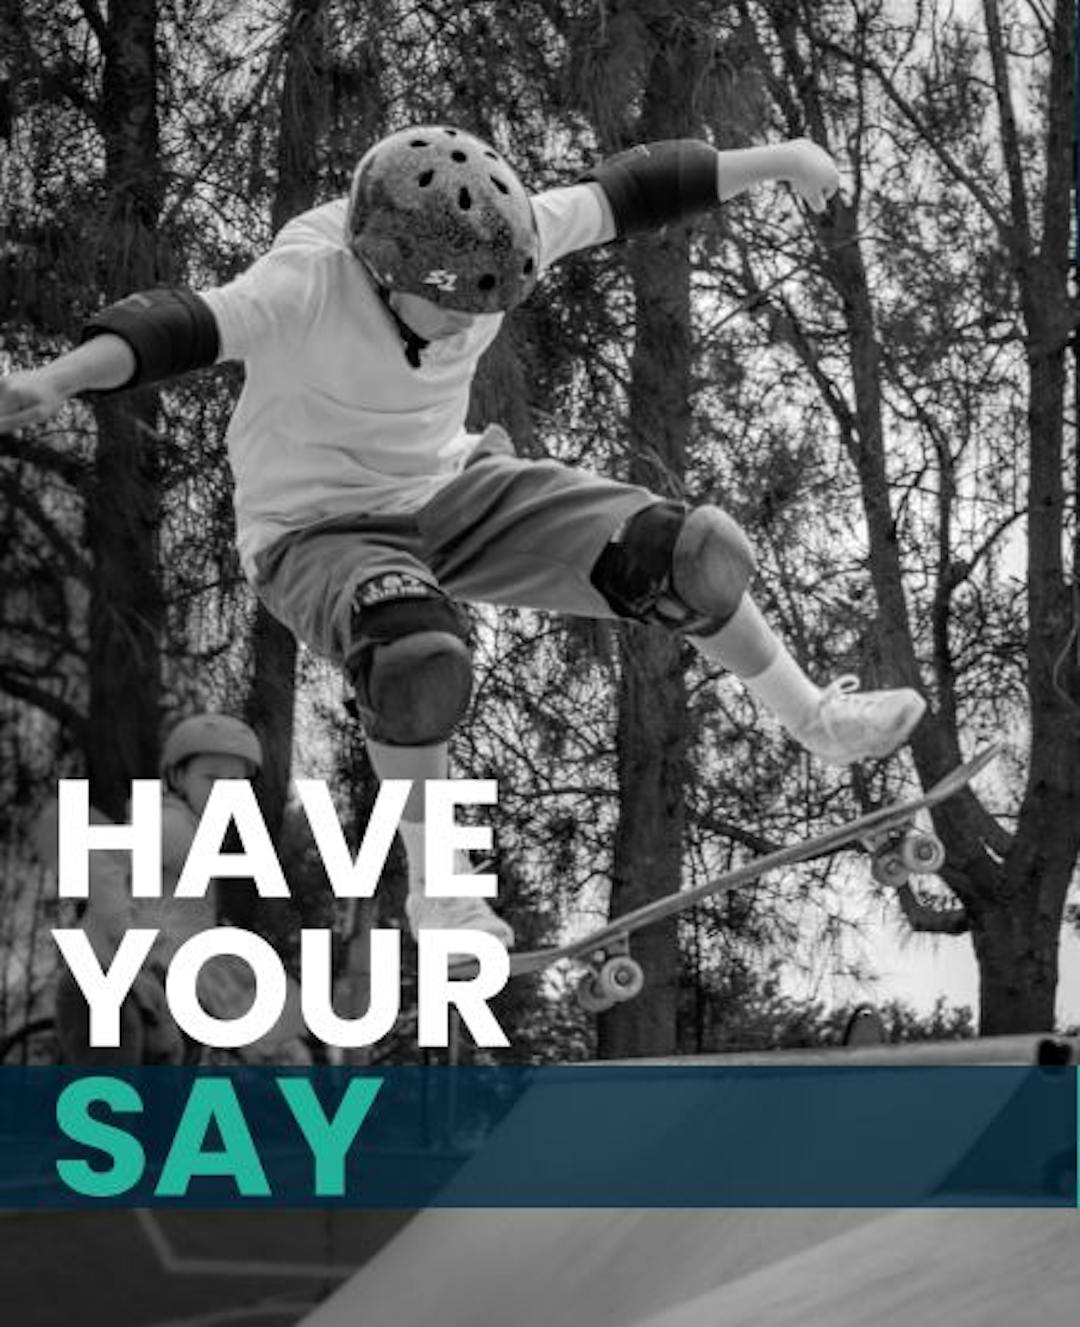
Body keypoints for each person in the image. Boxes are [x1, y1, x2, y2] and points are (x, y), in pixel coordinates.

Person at [2, 126, 926, 949]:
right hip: (315, 533)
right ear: (382, 265)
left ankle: (817, 721)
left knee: (692, 555)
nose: (467, 329)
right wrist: (55, 379)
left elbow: (631, 192)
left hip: (453, 486)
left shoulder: (501, 229)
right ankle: (438, 894)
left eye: (488, 308)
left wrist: (785, 160)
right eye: (449, 310)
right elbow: (181, 326)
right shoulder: (306, 280)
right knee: (415, 655)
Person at [34, 712, 307, 1063]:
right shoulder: (173, 826)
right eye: (211, 778)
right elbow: (93, 853)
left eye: (236, 784)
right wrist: (123, 926)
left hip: (138, 994)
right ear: (178, 777)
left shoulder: (194, 835)